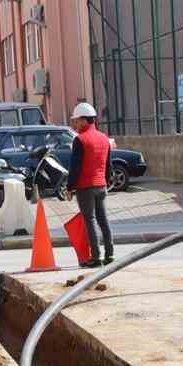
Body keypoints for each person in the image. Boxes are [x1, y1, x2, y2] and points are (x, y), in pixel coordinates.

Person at [65, 101, 113, 267]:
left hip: (85, 187)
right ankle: (110, 255)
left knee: (90, 221)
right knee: (103, 220)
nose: (75, 124)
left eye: (77, 121)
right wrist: (106, 181)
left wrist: (70, 187)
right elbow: (108, 165)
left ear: (85, 120)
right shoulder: (104, 138)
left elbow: (75, 167)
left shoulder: (80, 140)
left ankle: (96, 257)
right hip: (101, 185)